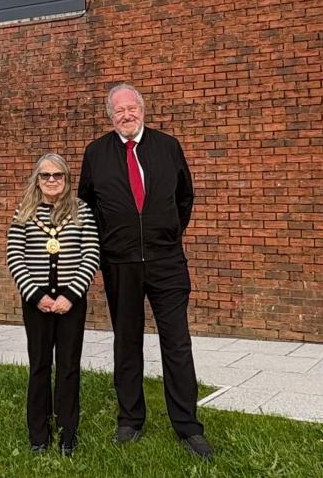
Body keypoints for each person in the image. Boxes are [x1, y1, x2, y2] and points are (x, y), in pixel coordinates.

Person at [78, 83, 214, 459]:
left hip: (166, 262)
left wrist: (168, 233)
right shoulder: (96, 153)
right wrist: (109, 245)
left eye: (131, 109)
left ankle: (188, 426)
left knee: (177, 343)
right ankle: (130, 420)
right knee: (127, 341)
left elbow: (185, 196)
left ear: (142, 110)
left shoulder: (167, 147)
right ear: (110, 116)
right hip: (120, 264)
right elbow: (87, 205)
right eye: (118, 110)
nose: (126, 115)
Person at [6, 153, 100, 456]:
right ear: (37, 179)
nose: (51, 180)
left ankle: (67, 433)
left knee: (69, 367)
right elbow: (14, 257)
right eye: (45, 175)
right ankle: (39, 433)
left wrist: (70, 295)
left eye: (57, 175)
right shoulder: (24, 212)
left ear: (66, 179)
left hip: (71, 301)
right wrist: (37, 296)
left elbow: (91, 255)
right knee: (40, 365)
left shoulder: (82, 211)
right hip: (37, 301)